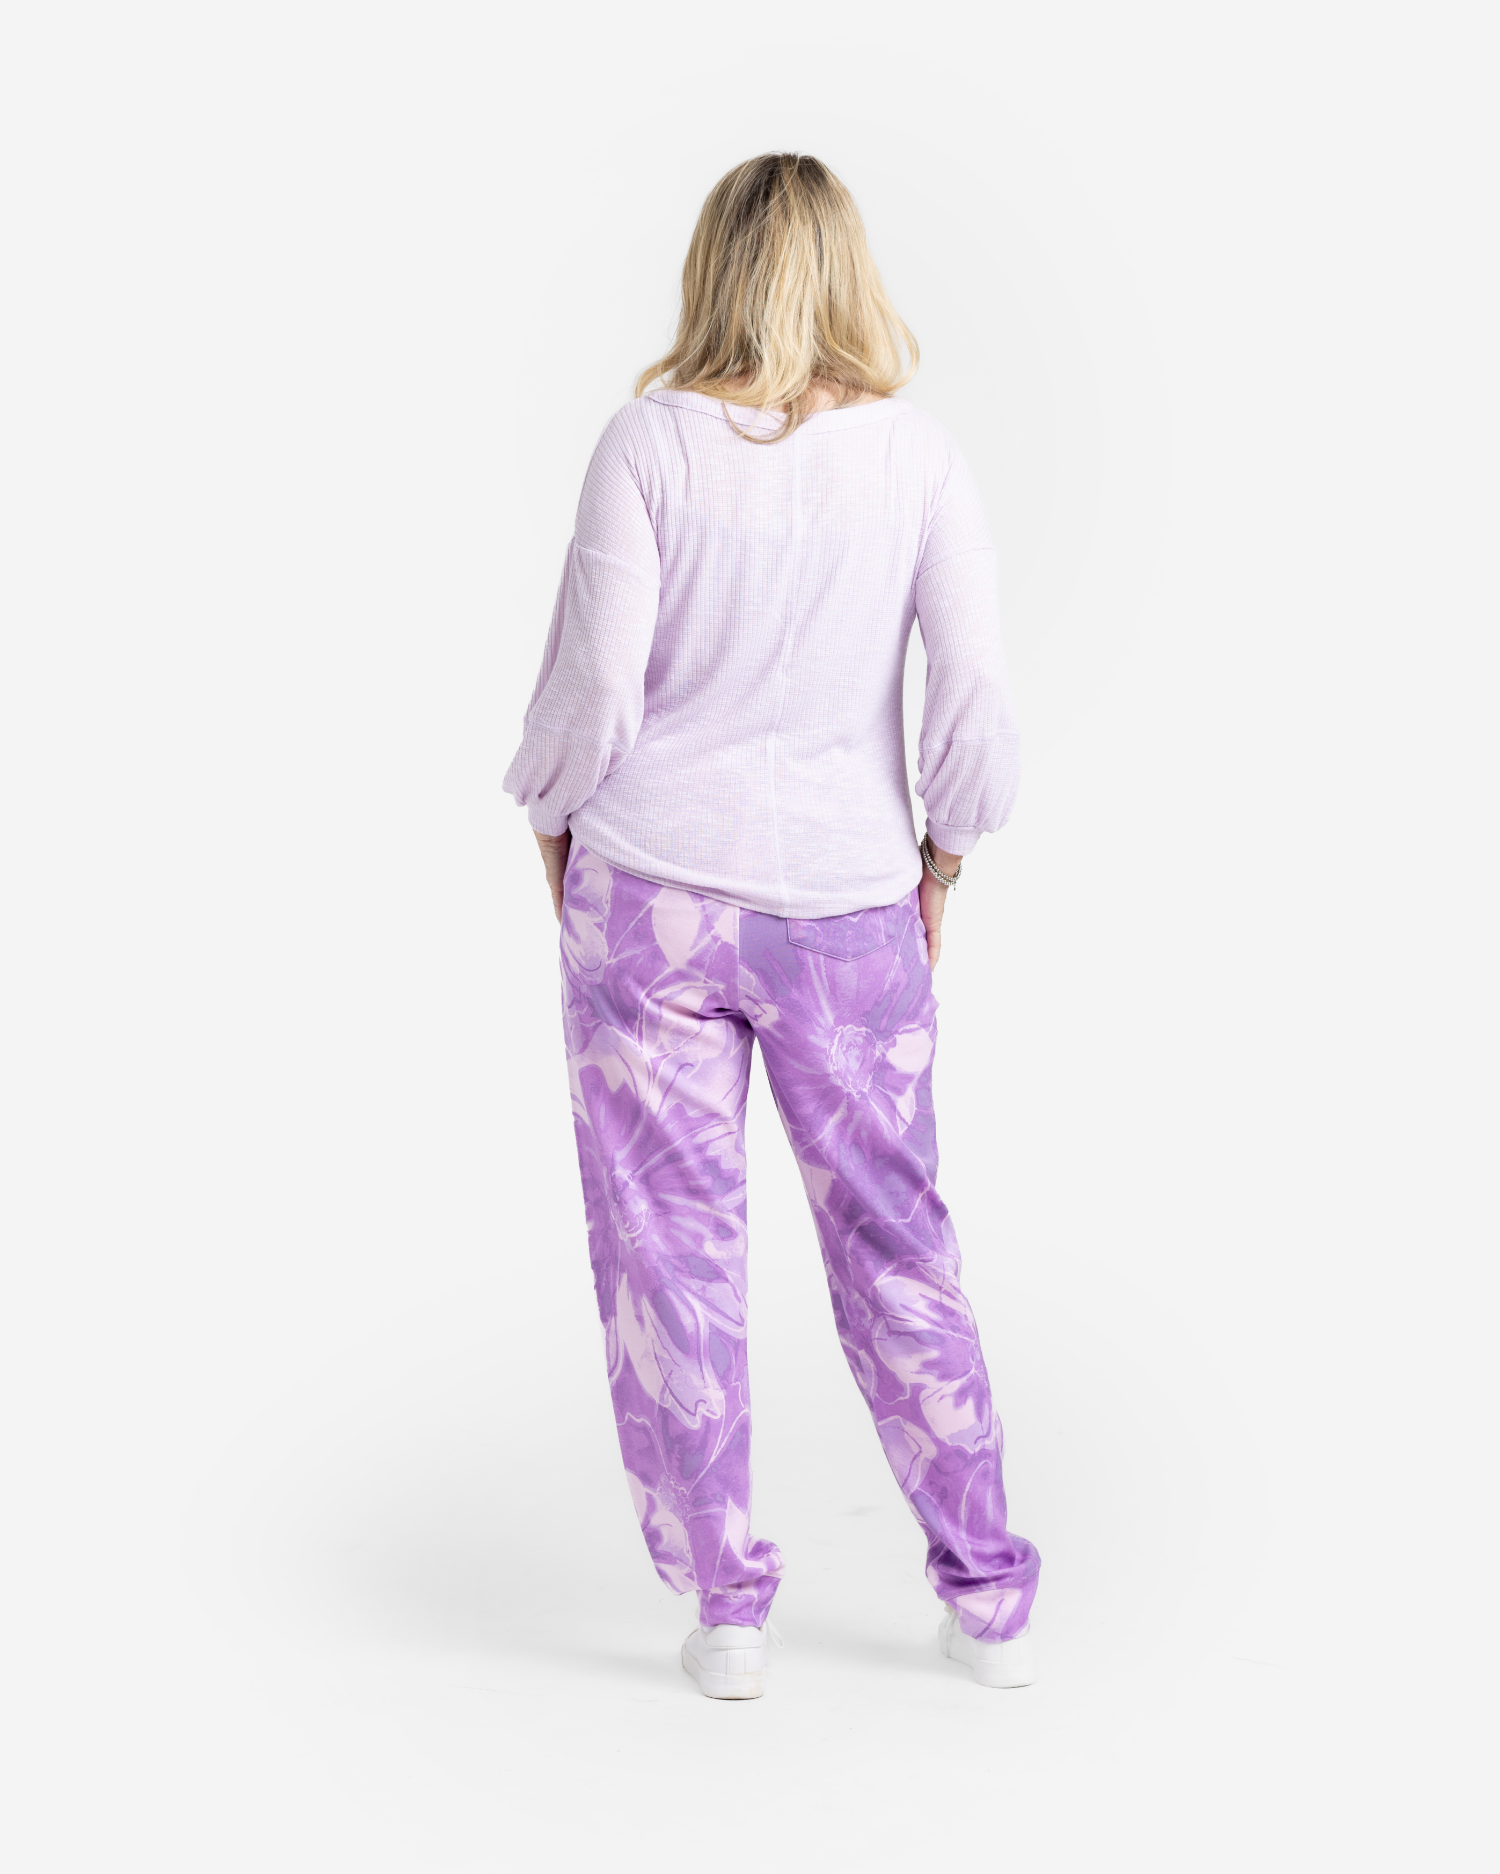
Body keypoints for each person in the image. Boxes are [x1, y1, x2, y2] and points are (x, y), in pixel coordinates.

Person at [504, 152, 1039, 1699]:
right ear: (849, 269)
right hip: (851, 910)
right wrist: (944, 862)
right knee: (900, 1249)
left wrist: (551, 819)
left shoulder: (645, 445)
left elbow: (594, 689)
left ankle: (728, 1613)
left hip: (649, 900)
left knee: (668, 1255)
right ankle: (989, 1600)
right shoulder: (919, 460)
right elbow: (977, 699)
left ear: (715, 266)